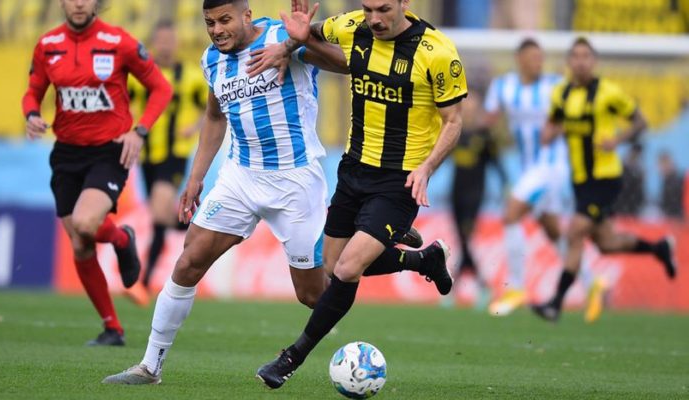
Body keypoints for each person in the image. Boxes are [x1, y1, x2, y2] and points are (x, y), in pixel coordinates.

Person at [101, 0, 432, 385]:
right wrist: (196, 176)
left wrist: (299, 40)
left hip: (295, 182)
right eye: (210, 22)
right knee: (189, 261)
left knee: (313, 294)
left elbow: (348, 65)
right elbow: (213, 116)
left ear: (246, 15)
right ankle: (149, 366)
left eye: (225, 20)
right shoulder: (212, 59)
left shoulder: (280, 38)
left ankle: (401, 252)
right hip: (240, 177)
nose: (217, 30)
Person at [253, 0, 465, 389]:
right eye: (368, 9)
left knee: (349, 269)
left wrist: (427, 168)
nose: (374, 19)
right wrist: (291, 44)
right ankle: (423, 260)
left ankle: (290, 358)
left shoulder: (437, 52)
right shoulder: (353, 26)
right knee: (332, 267)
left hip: (400, 179)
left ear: (404, 3)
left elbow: (454, 120)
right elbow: (320, 42)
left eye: (383, 9)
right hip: (353, 170)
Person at [21, 0, 173, 345]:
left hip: (109, 151)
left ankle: (121, 239)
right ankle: (112, 328)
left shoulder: (119, 42)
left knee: (86, 224)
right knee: (79, 243)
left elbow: (161, 89)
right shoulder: (47, 46)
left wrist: (140, 131)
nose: (78, 3)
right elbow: (32, 92)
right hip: (66, 154)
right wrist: (31, 114)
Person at [532, 37, 677, 322]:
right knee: (606, 243)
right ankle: (659, 248)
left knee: (575, 232)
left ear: (593, 61)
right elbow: (552, 124)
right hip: (581, 180)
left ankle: (556, 303)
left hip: (606, 177)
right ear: (569, 62)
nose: (580, 61)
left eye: (586, 56)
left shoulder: (608, 92)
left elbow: (641, 121)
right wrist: (549, 133)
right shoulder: (561, 94)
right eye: (575, 56)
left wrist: (617, 140)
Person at [483, 38, 598, 318]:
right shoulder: (503, 86)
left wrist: (561, 127)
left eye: (541, 57)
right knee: (552, 230)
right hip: (528, 168)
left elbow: (576, 113)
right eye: (533, 57)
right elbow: (488, 120)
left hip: (553, 166)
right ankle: (592, 282)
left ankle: (517, 287)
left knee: (511, 213)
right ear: (520, 59)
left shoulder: (555, 86)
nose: (538, 62)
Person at [127, 20, 209, 301]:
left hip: (175, 154)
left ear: (177, 43)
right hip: (147, 156)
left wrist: (194, 126)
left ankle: (144, 281)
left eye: (169, 40)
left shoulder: (189, 76)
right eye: (160, 40)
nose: (165, 45)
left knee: (161, 210)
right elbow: (123, 104)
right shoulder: (138, 76)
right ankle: (146, 281)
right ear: (153, 43)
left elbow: (211, 108)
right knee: (160, 220)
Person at [449, 91, 504, 304]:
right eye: (466, 108)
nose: (469, 112)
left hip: (475, 194)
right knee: (463, 240)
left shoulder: (484, 136)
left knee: (465, 237)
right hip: (456, 193)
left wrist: (505, 185)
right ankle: (479, 286)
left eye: (473, 109)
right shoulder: (455, 132)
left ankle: (458, 287)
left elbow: (496, 163)